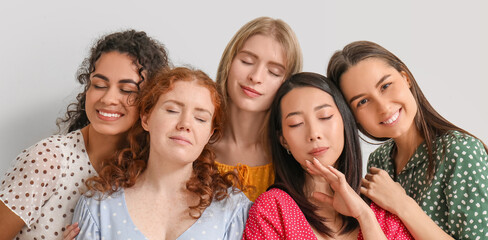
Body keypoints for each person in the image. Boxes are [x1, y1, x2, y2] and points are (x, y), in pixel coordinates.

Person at [0, 30, 170, 240]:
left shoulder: (145, 174)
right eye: (99, 85)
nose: (108, 98)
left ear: (149, 101)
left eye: (126, 90)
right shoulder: (48, 160)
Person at [327, 40, 488, 239]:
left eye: (385, 86)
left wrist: (402, 204)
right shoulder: (379, 161)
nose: (383, 107)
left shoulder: (461, 152)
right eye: (363, 101)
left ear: (405, 78)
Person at [70, 67, 251, 240]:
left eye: (200, 118)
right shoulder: (99, 205)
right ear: (146, 118)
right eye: (172, 110)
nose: (185, 124)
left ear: (209, 134)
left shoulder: (233, 209)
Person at [243, 72, 413, 239]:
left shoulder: (382, 209)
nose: (314, 133)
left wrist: (364, 215)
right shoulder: (272, 210)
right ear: (283, 140)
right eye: (296, 124)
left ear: (345, 121)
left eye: (325, 116)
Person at [213, 16, 303, 201]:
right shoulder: (194, 141)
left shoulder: (293, 158)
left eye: (274, 72)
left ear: (287, 84)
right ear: (228, 63)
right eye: (246, 61)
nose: (255, 77)